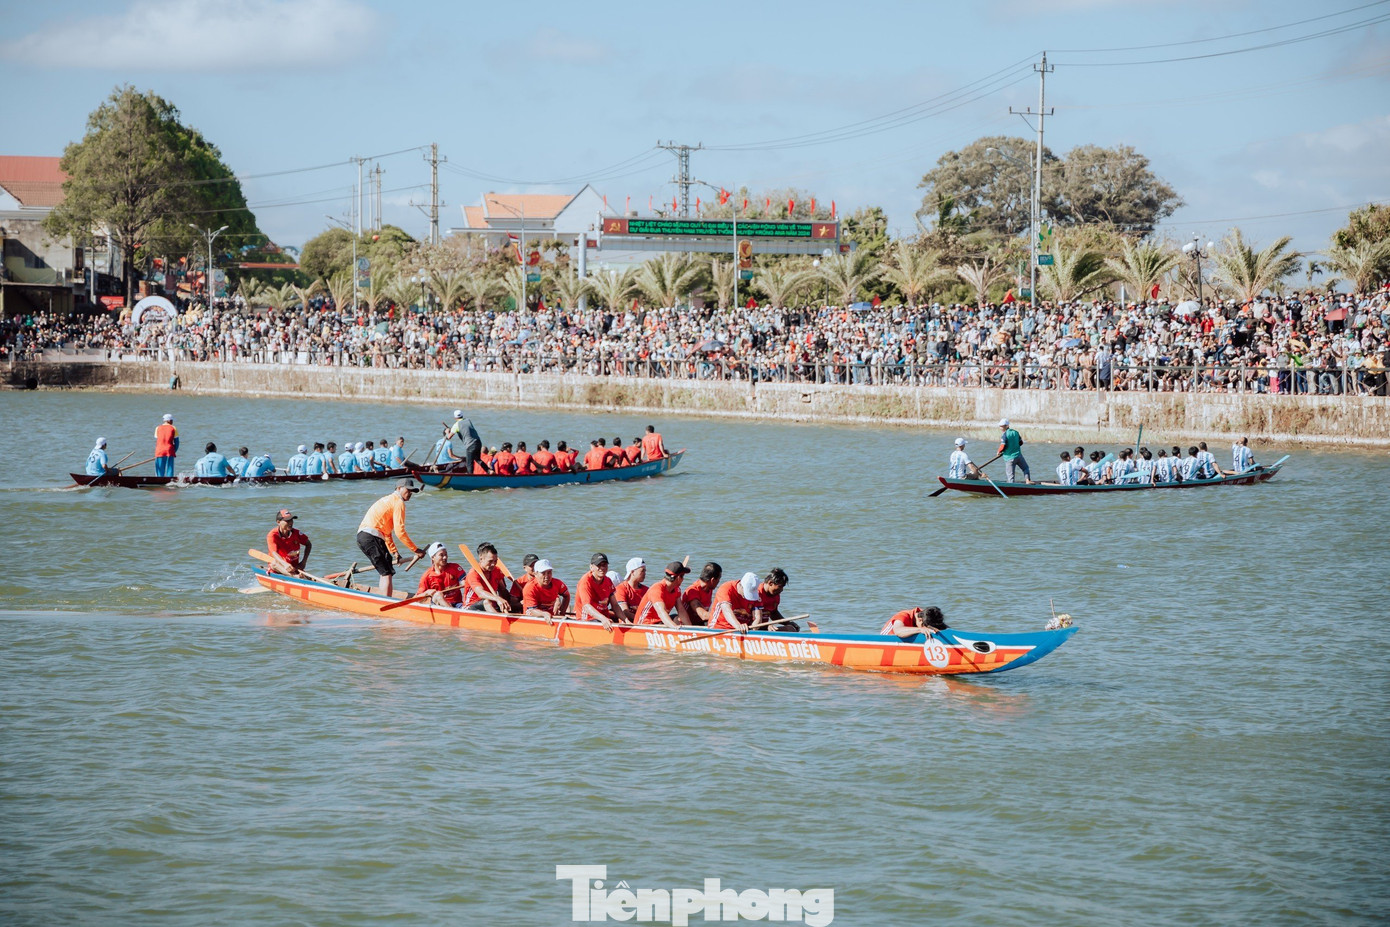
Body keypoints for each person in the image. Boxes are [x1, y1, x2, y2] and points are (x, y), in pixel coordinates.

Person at [355, 479, 425, 597]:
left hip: (364, 536)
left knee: (386, 570)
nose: (410, 493)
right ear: (398, 488)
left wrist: (394, 552)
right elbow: (400, 532)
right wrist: (416, 550)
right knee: (386, 573)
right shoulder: (398, 502)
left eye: (412, 491)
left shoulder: (387, 500)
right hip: (372, 536)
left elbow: (387, 533)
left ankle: (384, 598)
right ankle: (385, 601)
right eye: (408, 490)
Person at [461, 541, 516, 612]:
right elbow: (480, 593)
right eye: (490, 561)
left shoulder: (496, 570)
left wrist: (511, 601)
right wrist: (497, 598)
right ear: (481, 559)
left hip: (492, 605)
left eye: (495, 561)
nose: (493, 564)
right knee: (487, 602)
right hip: (471, 607)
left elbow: (503, 590)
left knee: (515, 603)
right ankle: (499, 620)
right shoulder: (473, 573)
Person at [634, 561, 692, 626]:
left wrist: (690, 628)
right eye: (683, 576)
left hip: (660, 622)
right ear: (678, 578)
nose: (683, 579)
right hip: (645, 625)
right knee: (675, 622)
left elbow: (681, 611)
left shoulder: (677, 590)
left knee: (678, 619)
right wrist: (675, 628)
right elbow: (661, 612)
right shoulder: (656, 589)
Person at [575, 552, 624, 625]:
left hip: (603, 618)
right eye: (599, 565)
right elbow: (587, 606)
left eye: (604, 565)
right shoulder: (585, 582)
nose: (602, 568)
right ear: (591, 567)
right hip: (587, 619)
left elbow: (615, 605)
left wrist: (626, 620)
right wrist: (603, 619)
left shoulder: (608, 581)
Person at [416, 542, 467, 606]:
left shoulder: (455, 567)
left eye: (446, 554)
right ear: (433, 557)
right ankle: (453, 613)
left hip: (457, 604)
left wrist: (465, 583)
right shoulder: (427, 576)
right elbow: (416, 599)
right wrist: (426, 593)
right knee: (438, 595)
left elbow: (464, 581)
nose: (445, 557)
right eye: (441, 555)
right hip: (438, 606)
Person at [266, 507, 312, 576]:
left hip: (294, 568)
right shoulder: (272, 535)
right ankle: (295, 576)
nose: (290, 523)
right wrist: (284, 564)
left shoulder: (297, 533)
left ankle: (296, 575)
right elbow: (274, 553)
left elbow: (308, 544)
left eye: (291, 520)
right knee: (273, 563)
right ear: (278, 522)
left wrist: (303, 562)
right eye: (287, 521)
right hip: (279, 567)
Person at [754, 568, 799, 632]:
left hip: (764, 627)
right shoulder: (756, 593)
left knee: (791, 628)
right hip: (753, 627)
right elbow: (749, 617)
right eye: (780, 587)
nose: (781, 590)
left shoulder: (775, 594)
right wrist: (767, 626)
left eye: (783, 587)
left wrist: (788, 623)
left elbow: (774, 613)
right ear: (770, 583)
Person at [681, 562, 722, 626]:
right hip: (687, 625)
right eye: (718, 579)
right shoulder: (693, 591)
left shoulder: (709, 588)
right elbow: (703, 615)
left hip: (699, 623)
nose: (718, 582)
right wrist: (725, 616)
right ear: (712, 580)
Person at [997, 418, 1032, 483]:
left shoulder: (1004, 435)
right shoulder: (1016, 432)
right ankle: (1027, 480)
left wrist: (999, 452)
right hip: (1018, 456)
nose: (1000, 428)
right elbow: (1021, 443)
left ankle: (1011, 488)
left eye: (1002, 426)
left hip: (1009, 458)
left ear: (1007, 426)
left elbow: (1002, 446)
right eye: (1000, 426)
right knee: (1025, 468)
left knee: (1010, 476)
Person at [880, 606, 947, 639]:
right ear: (920, 620)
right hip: (887, 641)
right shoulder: (903, 615)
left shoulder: (927, 615)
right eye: (925, 627)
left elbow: (942, 627)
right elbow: (898, 631)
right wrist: (920, 629)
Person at [154, 413, 178, 478]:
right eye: (172, 420)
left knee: (160, 469)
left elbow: (158, 438)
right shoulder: (173, 428)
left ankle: (159, 480)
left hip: (159, 450)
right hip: (169, 450)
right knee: (170, 468)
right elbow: (177, 442)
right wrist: (174, 451)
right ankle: (169, 480)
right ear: (169, 420)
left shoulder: (157, 428)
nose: (172, 422)